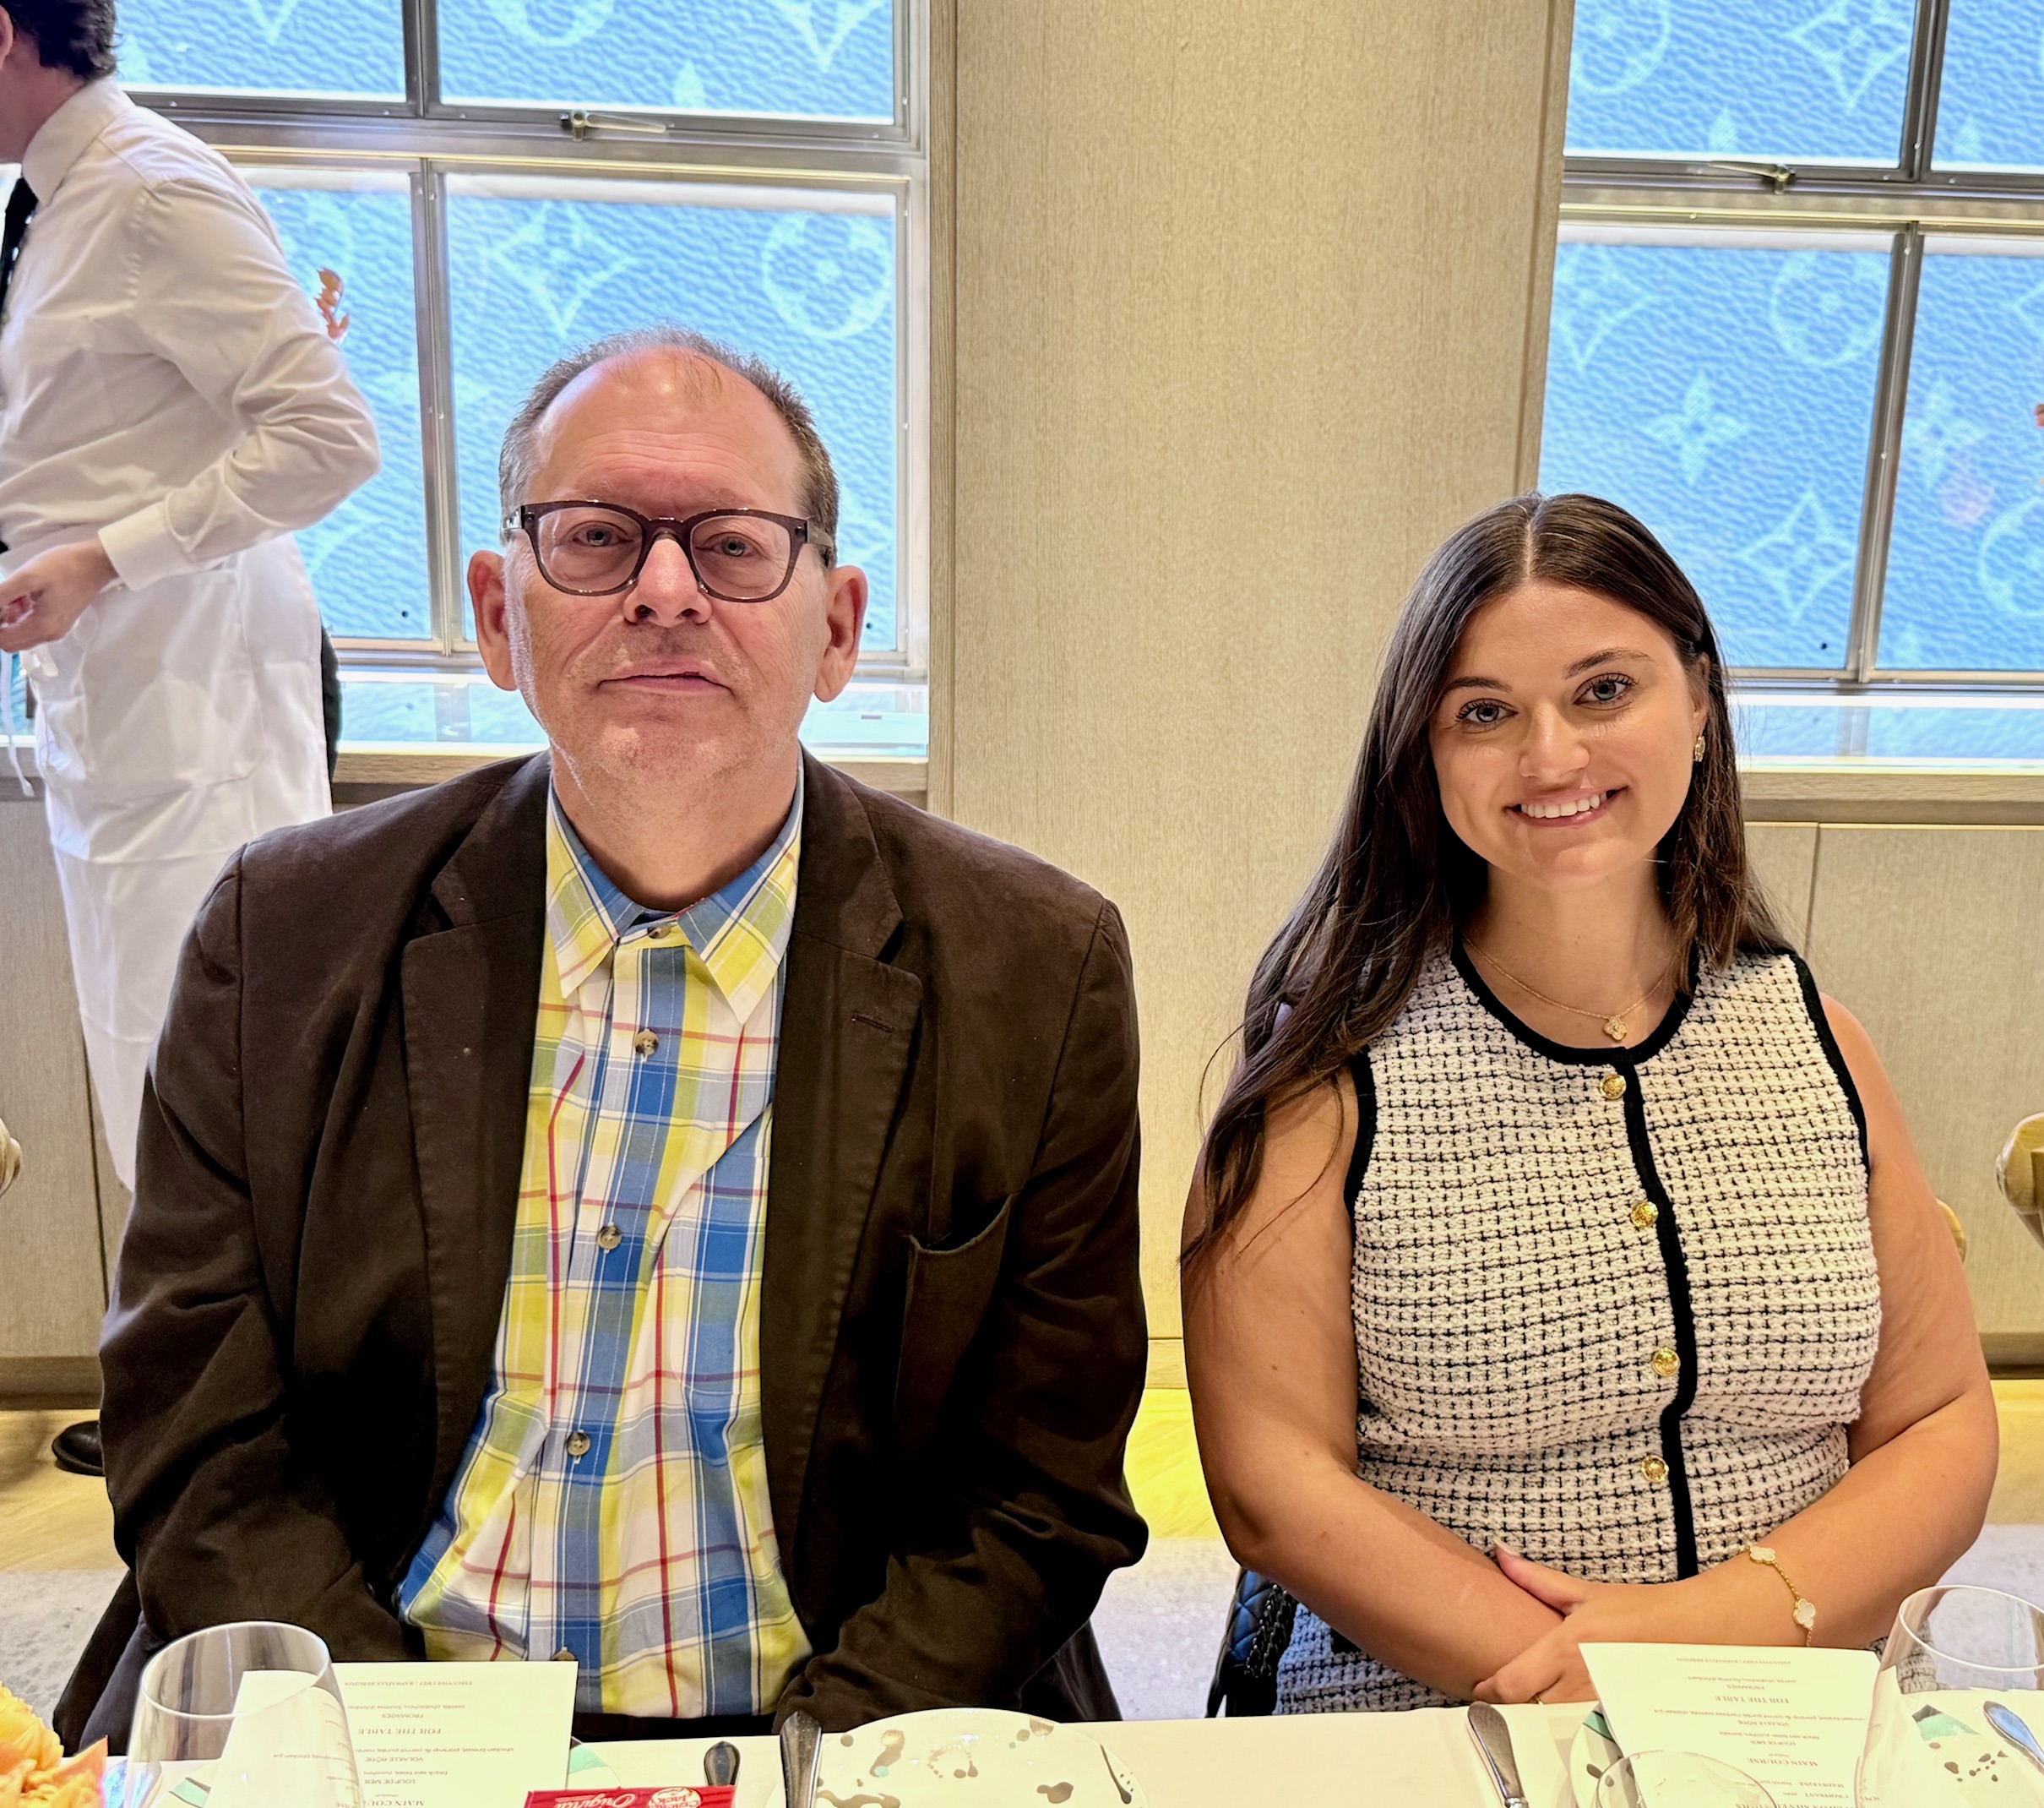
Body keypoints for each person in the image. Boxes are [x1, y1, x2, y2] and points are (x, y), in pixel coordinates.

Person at [57, 327, 1147, 1751]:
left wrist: (813, 1771)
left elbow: (1036, 1491)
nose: (666, 592)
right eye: (596, 538)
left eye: (735, 546)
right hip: (358, 1698)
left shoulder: (1039, 970)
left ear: (836, 629)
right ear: (498, 616)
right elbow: (196, 1425)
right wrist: (388, 1751)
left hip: (846, 1725)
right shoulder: (284, 933)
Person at [1182, 493, 1997, 1712]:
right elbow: (1274, 1488)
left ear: (1701, 702)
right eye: (1485, 713)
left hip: (1801, 1710)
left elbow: (1939, 1420)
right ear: (1423, 753)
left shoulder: (1821, 1041)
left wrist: (1712, 1637)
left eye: (1604, 691)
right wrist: (1598, 1685)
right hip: (1437, 1711)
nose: (1551, 756)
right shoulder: (1326, 1083)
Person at [0, 1, 378, 1224]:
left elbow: (329, 438)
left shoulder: (152, 193)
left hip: (196, 712)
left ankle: (229, 1356)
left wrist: (100, 561)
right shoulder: (55, 207)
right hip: (115, 706)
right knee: (152, 1090)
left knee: (218, 1103)